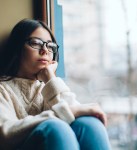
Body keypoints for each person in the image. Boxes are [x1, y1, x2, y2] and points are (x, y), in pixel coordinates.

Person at [0, 19, 111, 150]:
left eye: (51, 46)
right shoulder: (3, 88)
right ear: (17, 47)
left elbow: (73, 112)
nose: (45, 50)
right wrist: (67, 112)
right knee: (56, 128)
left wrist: (50, 79)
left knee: (90, 124)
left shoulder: (48, 87)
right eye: (36, 43)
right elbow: (5, 134)